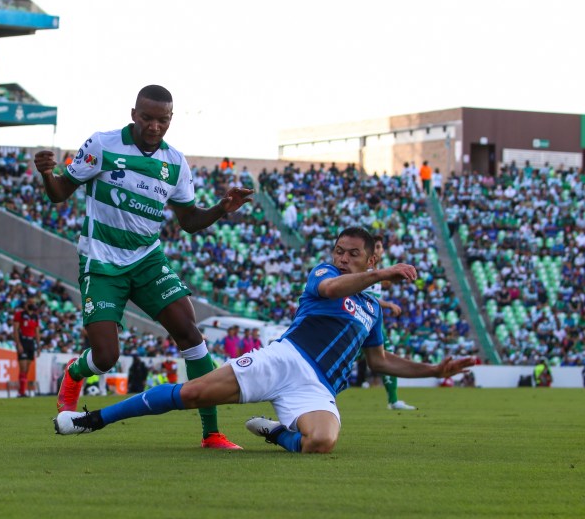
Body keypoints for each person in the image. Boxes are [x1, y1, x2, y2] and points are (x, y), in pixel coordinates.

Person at [54, 227, 474, 454]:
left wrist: (435, 370)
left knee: (322, 442)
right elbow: (332, 290)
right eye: (339, 250)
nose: (342, 258)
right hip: (284, 360)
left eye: (352, 254)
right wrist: (379, 276)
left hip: (317, 388)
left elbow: (380, 362)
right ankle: (92, 420)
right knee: (194, 393)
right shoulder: (325, 275)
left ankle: (276, 433)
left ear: (371, 257)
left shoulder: (372, 309)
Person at [35, 84, 253, 449]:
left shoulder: (175, 163)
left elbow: (188, 220)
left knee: (191, 335)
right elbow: (60, 193)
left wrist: (220, 208)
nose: (155, 126)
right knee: (106, 357)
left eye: (162, 120)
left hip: (147, 260)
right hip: (101, 262)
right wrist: (47, 174)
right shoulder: (103, 145)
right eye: (148, 118)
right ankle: (75, 372)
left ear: (171, 119)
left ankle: (212, 433)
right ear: (134, 114)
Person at [368, 235, 417, 411]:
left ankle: (394, 400)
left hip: (373, 322)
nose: (380, 250)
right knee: (345, 360)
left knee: (387, 355)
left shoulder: (375, 270)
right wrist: (388, 304)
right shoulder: (366, 271)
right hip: (363, 323)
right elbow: (366, 298)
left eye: (381, 247)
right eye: (377, 246)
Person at [13, 301, 41, 397]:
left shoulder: (35, 316)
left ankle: (22, 391)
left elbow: (37, 332)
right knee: (23, 367)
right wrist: (18, 344)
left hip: (31, 342)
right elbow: (15, 330)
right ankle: (21, 392)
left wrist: (38, 346)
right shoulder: (19, 314)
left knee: (27, 369)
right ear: (25, 305)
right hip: (23, 341)